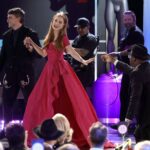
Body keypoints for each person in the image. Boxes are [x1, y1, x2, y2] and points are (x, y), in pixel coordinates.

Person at [23, 12, 98, 149]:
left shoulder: (63, 37)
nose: (57, 23)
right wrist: (32, 43)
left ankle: (66, 133)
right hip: (49, 71)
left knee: (71, 98)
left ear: (64, 25)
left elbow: (70, 51)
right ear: (52, 21)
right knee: (40, 101)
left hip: (61, 70)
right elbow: (43, 53)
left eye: (60, 21)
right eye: (55, 20)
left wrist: (83, 60)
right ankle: (43, 135)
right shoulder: (50, 36)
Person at [101, 44, 150, 142]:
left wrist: (127, 120)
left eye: (130, 56)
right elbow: (130, 70)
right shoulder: (145, 67)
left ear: (135, 59)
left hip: (145, 116)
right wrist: (113, 61)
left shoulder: (138, 73)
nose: (129, 58)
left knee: (141, 138)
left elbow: (135, 98)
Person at [0, 7, 40, 124]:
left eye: (10, 18)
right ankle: (7, 129)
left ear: (18, 18)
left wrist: (31, 48)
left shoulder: (31, 34)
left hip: (25, 73)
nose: (7, 20)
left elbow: (39, 55)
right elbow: (3, 57)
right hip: (10, 74)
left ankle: (30, 127)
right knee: (7, 102)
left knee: (30, 102)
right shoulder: (6, 36)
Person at [111, 10, 144, 125]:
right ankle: (122, 123)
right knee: (124, 96)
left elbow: (131, 50)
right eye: (125, 20)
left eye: (129, 19)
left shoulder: (137, 33)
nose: (127, 22)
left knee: (129, 97)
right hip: (127, 70)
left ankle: (126, 124)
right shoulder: (128, 32)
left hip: (132, 71)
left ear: (134, 20)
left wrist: (117, 54)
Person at [71, 17, 98, 92]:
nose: (80, 30)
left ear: (88, 27)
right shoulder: (77, 38)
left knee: (86, 95)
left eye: (82, 27)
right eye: (78, 28)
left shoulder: (92, 38)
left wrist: (68, 49)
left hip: (86, 71)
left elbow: (83, 53)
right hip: (76, 70)